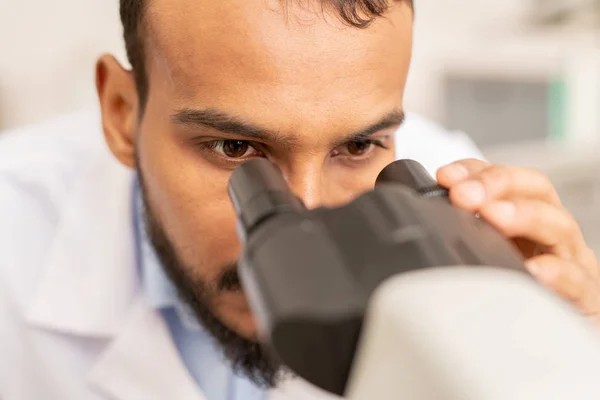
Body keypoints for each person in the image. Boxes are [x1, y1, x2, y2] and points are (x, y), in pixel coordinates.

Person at [1, 0, 599, 399]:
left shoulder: (461, 205)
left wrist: (574, 352)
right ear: (123, 117)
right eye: (235, 148)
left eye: (360, 144)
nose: (307, 213)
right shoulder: (14, 227)